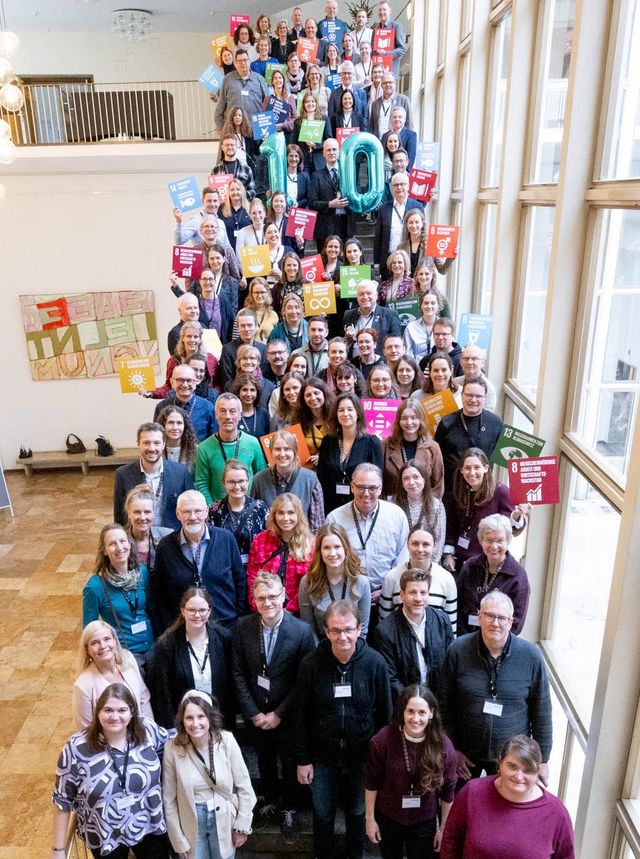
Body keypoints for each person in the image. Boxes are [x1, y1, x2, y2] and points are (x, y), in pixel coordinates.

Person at [295, 600, 392, 859]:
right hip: (322, 758)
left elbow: (386, 716)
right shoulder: (310, 664)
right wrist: (303, 760)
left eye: (349, 629)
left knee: (358, 814)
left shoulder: (375, 663)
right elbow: (301, 715)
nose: (343, 636)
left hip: (362, 759)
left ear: (360, 628)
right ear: (326, 631)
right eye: (336, 630)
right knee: (323, 814)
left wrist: (381, 762)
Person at [232, 572, 316, 840]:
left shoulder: (302, 631)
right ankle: (268, 801)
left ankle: (289, 808)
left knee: (289, 760)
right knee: (265, 759)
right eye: (261, 598)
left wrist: (279, 714)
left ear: (283, 596)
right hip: (256, 711)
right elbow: (238, 673)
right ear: (254, 600)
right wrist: (253, 712)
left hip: (288, 713)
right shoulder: (243, 627)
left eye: (272, 596)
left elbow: (303, 681)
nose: (267, 602)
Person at [439, 592, 552, 783]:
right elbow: (443, 705)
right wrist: (453, 749)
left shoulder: (531, 656)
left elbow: (541, 710)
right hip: (465, 755)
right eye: (489, 615)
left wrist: (542, 758)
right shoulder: (457, 650)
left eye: (501, 618)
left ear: (511, 622)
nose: (495, 623)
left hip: (512, 759)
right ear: (479, 617)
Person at [51, 684, 171, 859]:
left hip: (149, 825)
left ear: (132, 712)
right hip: (104, 833)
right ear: (97, 712)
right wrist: (58, 850)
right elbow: (62, 800)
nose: (115, 717)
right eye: (108, 710)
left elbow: (174, 745)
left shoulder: (147, 729)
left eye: (122, 710)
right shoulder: (76, 748)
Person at [440, 735, 575, 859]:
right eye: (512, 766)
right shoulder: (472, 793)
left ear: (538, 771)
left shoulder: (557, 813)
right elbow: (451, 842)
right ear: (500, 763)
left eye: (527, 769)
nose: (518, 776)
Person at [365, 685, 457, 859]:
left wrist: (444, 828)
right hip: (389, 817)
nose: (415, 719)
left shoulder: (444, 746)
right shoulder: (382, 740)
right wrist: (370, 819)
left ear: (431, 713)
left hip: (424, 821)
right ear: (402, 712)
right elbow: (371, 782)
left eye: (422, 712)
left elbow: (448, 793)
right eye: (410, 711)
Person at [163, 691, 256, 859]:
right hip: (191, 821)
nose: (195, 723)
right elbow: (169, 800)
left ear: (210, 718)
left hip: (224, 818)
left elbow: (244, 786)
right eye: (189, 718)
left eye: (201, 716)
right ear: (182, 720)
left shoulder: (226, 740)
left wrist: (243, 825)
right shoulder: (172, 748)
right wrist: (177, 839)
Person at [151, 490, 246, 633]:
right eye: (187, 512)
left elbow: (240, 582)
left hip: (225, 628)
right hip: (183, 631)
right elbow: (159, 593)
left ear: (206, 512)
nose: (193, 517)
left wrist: (239, 621)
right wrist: (169, 628)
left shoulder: (226, 539)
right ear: (178, 514)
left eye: (198, 511)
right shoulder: (165, 547)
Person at [149, 587, 231, 729]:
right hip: (184, 723)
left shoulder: (224, 638)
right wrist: (171, 729)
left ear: (209, 611)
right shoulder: (167, 645)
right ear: (183, 610)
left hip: (218, 718)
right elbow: (163, 693)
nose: (197, 615)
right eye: (192, 610)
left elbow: (231, 684)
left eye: (202, 610)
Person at [325, 463, 410, 598]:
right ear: (352, 487)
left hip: (387, 593)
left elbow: (402, 557)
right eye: (361, 487)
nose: (366, 493)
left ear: (380, 488)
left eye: (372, 488)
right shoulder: (335, 519)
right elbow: (329, 560)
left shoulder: (397, 516)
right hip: (347, 594)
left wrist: (387, 590)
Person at [443, 448, 529, 574]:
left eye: (477, 467)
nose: (472, 472)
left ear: (486, 468)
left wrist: (516, 516)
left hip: (487, 563)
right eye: (467, 468)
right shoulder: (459, 491)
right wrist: (448, 554)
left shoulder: (501, 492)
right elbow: (451, 525)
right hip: (459, 562)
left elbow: (511, 530)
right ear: (461, 470)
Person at [373, 569, 453, 699]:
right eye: (412, 592)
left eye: (423, 592)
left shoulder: (442, 621)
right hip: (404, 704)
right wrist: (413, 703)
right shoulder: (384, 631)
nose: (418, 598)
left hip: (438, 701)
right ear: (402, 595)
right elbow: (390, 678)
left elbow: (450, 666)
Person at [82, 524, 154, 658]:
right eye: (112, 544)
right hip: (124, 654)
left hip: (152, 647)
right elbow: (88, 632)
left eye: (122, 541)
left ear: (129, 543)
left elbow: (152, 608)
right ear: (104, 551)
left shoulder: (142, 572)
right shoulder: (95, 587)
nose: (120, 548)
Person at [456, 513, 531, 636]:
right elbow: (458, 605)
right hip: (465, 640)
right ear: (481, 541)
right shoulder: (470, 567)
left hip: (498, 644)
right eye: (489, 540)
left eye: (500, 540)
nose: (494, 546)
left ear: (508, 541)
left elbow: (516, 623)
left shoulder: (518, 576)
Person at [72, 620, 153, 730]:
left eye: (107, 639)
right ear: (87, 649)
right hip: (107, 744)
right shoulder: (82, 685)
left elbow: (144, 699)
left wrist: (150, 732)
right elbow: (85, 729)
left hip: (140, 736)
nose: (103, 646)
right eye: (94, 643)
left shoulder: (129, 659)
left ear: (115, 640)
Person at [113, 423, 194, 530]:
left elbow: (190, 507)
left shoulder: (181, 472)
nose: (152, 448)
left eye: (157, 443)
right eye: (146, 443)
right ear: (138, 444)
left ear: (164, 444)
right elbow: (119, 516)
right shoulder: (123, 474)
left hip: (172, 538)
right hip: (138, 537)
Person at [299, 522, 371, 640]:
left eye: (337, 547)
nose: (332, 553)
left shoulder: (362, 582)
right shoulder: (307, 582)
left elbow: (362, 632)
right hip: (321, 648)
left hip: (353, 648)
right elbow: (309, 630)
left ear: (346, 548)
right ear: (319, 551)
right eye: (326, 548)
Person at [378, 527, 458, 633]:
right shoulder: (392, 577)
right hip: (398, 645)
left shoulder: (447, 579)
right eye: (415, 543)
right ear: (407, 545)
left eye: (426, 544)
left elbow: (451, 628)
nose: (420, 549)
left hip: (436, 646)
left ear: (434, 546)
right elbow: (384, 623)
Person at [246, 492, 315, 614]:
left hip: (297, 613)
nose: (285, 518)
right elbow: (252, 578)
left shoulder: (311, 544)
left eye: (291, 513)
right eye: (281, 513)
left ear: (299, 515)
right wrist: (259, 606)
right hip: (264, 609)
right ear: (274, 515)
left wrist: (289, 610)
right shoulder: (261, 540)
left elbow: (311, 583)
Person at [434, 377, 504, 493]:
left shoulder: (496, 423)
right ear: (462, 395)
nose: (473, 400)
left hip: (483, 491)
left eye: (478, 396)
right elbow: (437, 459)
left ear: (485, 398)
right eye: (469, 395)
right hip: (452, 490)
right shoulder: (446, 422)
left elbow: (507, 459)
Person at [317, 393, 383, 513]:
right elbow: (321, 476)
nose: (345, 414)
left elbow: (377, 480)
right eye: (341, 410)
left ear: (358, 413)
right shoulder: (328, 441)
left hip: (362, 505)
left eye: (350, 409)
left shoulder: (372, 442)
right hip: (331, 506)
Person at [195, 393, 267, 504]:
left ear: (240, 415)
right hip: (217, 513)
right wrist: (212, 510)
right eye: (223, 411)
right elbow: (202, 484)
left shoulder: (253, 443)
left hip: (249, 509)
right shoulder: (204, 448)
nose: (227, 416)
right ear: (216, 415)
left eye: (232, 411)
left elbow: (262, 478)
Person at [251, 430, 325, 530]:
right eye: (277, 449)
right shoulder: (259, 480)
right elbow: (255, 521)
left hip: (302, 543)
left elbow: (317, 526)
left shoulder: (311, 480)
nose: (282, 454)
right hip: (269, 543)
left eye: (287, 449)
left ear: (294, 452)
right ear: (271, 452)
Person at [208, 459, 269, 568]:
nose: (237, 487)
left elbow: (269, 541)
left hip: (256, 569)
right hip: (225, 569)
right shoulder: (214, 510)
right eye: (231, 482)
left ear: (248, 481)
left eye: (241, 481)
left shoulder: (260, 508)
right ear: (224, 483)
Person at [382, 400, 445, 498]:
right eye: (404, 418)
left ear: (421, 419)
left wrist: (425, 507)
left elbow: (438, 485)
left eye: (414, 418)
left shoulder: (433, 447)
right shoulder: (385, 445)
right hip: (392, 506)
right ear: (398, 421)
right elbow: (378, 481)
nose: (409, 422)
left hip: (423, 508)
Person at [392, 459, 446, 561]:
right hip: (401, 562)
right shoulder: (394, 505)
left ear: (424, 479)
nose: (411, 482)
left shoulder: (436, 505)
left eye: (416, 477)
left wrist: (429, 566)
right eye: (406, 478)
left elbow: (439, 540)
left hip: (428, 562)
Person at [374, 174, 423, 280]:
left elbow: (423, 231)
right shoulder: (383, 208)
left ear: (408, 186)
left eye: (402, 184)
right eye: (396, 185)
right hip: (388, 259)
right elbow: (378, 237)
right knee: (388, 293)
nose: (399, 187)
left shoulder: (417, 206)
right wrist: (376, 263)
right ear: (392, 188)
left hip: (409, 258)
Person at [310, 138, 356, 248]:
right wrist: (330, 204)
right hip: (325, 227)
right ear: (323, 153)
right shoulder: (316, 176)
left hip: (346, 225)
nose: (332, 153)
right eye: (328, 150)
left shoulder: (348, 173)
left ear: (339, 151)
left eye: (334, 149)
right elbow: (312, 203)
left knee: (347, 262)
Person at [343, 280, 402, 357]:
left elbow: (397, 343)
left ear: (376, 295)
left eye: (368, 293)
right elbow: (343, 342)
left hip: (380, 365)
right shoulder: (348, 315)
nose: (365, 297)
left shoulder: (390, 315)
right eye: (361, 294)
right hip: (354, 365)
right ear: (357, 297)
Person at [215, 48, 269, 130]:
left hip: (256, 130)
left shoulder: (259, 79)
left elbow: (268, 105)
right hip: (234, 130)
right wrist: (221, 130)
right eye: (239, 61)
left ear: (249, 61)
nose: (243, 63)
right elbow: (220, 108)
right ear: (235, 63)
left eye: (245, 60)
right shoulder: (227, 80)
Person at [123, 484, 172, 572]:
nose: (142, 517)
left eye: (147, 512)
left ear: (154, 513)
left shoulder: (168, 537)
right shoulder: (120, 540)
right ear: (129, 513)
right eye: (137, 512)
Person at [220, 308, 267, 386]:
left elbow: (265, 377)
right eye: (242, 326)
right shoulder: (228, 350)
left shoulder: (263, 349)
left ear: (256, 326)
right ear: (238, 328)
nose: (246, 329)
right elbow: (227, 380)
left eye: (250, 325)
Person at [298, 376, 335, 467]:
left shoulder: (335, 418)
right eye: (308, 395)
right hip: (309, 472)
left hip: (332, 470)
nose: (313, 398)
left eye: (316, 393)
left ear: (324, 394)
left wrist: (323, 458)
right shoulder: (298, 421)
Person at [453, 344, 497, 412]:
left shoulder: (489, 389)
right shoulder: (455, 383)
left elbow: (486, 417)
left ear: (482, 363)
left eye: (474, 359)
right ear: (461, 362)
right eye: (466, 358)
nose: (470, 362)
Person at [211, 134, 256, 201]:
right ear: (222, 147)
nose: (230, 147)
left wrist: (238, 195)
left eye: (232, 145)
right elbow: (212, 192)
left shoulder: (246, 169)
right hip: (223, 209)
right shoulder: (216, 170)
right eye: (227, 145)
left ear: (236, 147)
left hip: (242, 208)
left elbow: (252, 191)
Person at [369, 71, 412, 137]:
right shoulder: (375, 104)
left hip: (397, 144)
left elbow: (409, 124)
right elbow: (372, 126)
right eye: (385, 83)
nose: (388, 85)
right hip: (379, 143)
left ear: (395, 84)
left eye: (390, 82)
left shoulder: (404, 100)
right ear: (381, 85)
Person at [372, 0, 406, 78]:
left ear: (389, 11)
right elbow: (372, 52)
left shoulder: (396, 26)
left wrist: (386, 53)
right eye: (380, 10)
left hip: (391, 73)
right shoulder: (375, 30)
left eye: (384, 9)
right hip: (378, 74)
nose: (382, 12)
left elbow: (402, 49)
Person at [402, 293, 440, 363]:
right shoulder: (411, 328)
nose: (429, 306)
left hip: (438, 370)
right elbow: (408, 355)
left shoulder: (444, 327)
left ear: (438, 306)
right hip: (416, 370)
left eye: (433, 303)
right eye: (426, 303)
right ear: (421, 306)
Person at [231, 372, 271, 438]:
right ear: (238, 392)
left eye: (252, 390)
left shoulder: (263, 413)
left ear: (257, 393)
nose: (249, 394)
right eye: (245, 390)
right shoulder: (232, 414)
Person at [218, 178, 252, 251]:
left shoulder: (250, 209)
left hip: (248, 251)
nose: (235, 192)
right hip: (227, 251)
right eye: (232, 190)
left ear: (242, 191)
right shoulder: (220, 210)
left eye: (238, 189)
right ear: (228, 192)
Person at [244, 277, 279, 343]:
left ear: (267, 293)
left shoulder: (273, 315)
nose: (259, 296)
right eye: (256, 292)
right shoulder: (243, 313)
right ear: (251, 294)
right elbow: (236, 339)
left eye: (262, 292)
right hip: (249, 351)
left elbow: (276, 339)